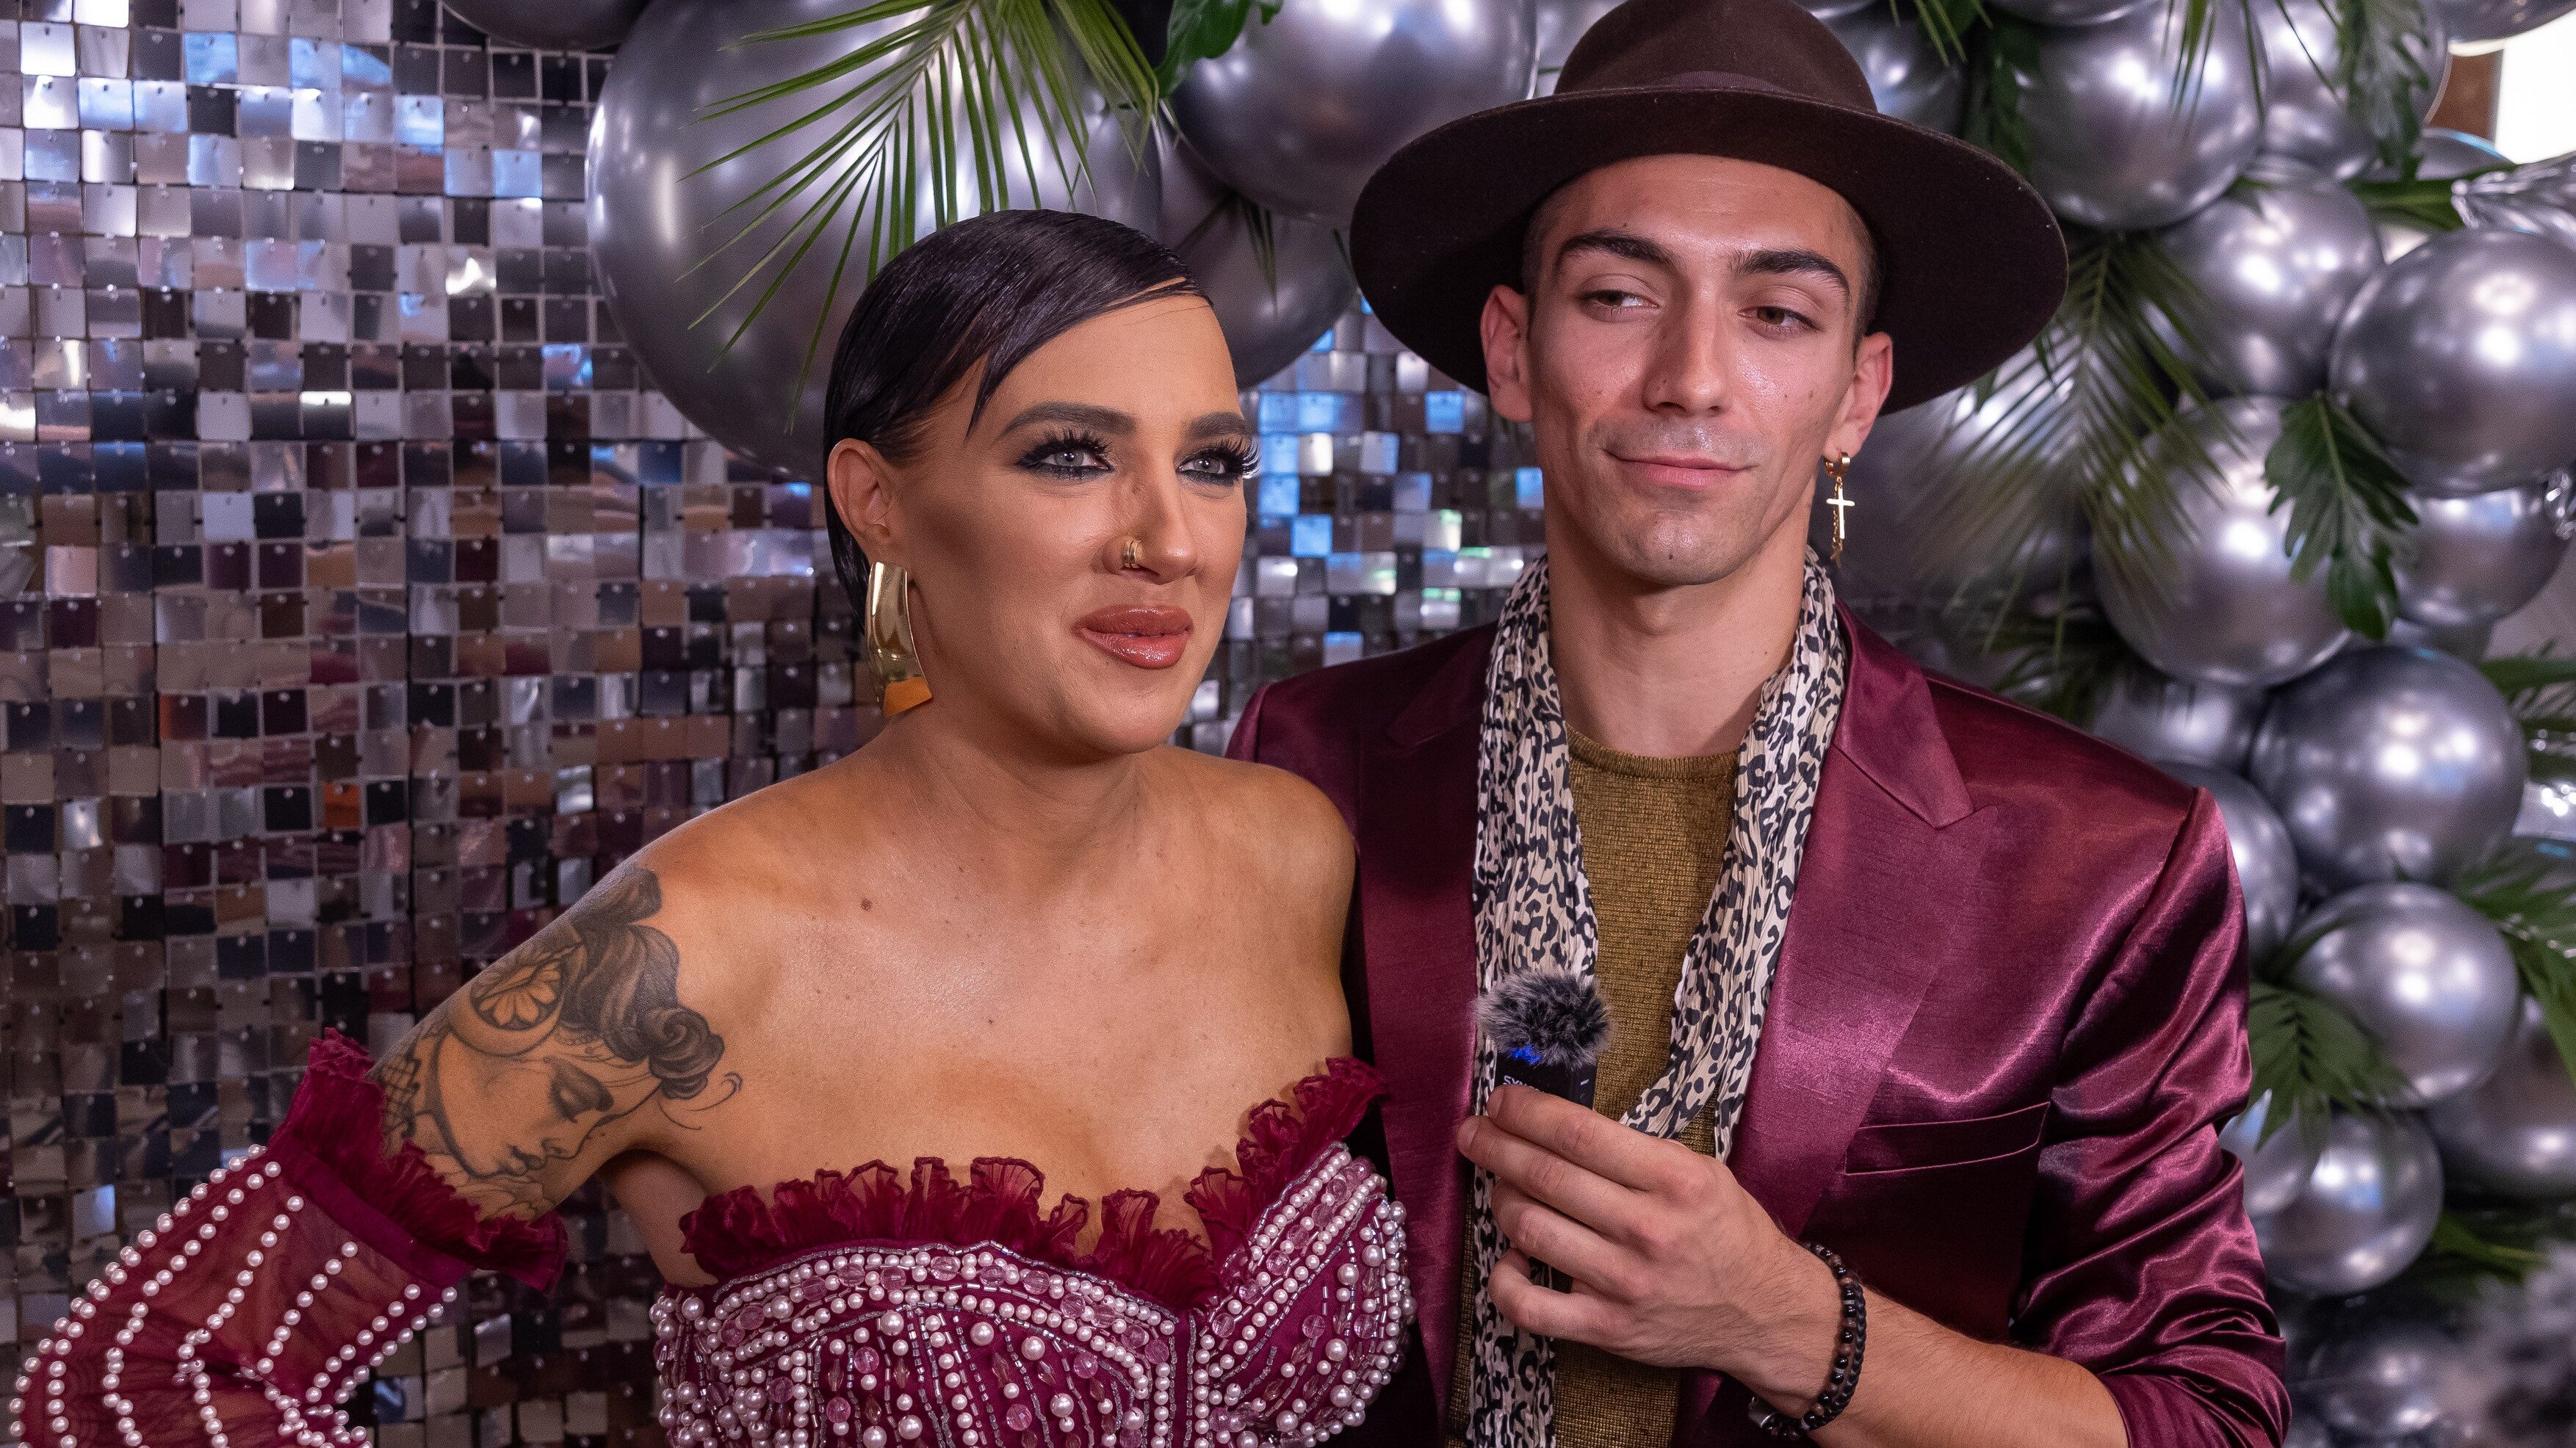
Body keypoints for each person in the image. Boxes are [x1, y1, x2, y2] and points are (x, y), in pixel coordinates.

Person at [16, 209, 1417, 1448]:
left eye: (1214, 462)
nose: (1169, 539)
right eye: (1070, 457)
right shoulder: (681, 959)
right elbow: (141, 1378)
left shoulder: (1295, 855)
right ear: (879, 505)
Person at [1229, 0, 2289, 1444]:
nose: (1691, 377)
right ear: (1514, 349)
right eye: (1619, 296)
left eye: (1777, 313)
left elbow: (2206, 1415)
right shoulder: (1306, 770)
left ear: (1856, 391)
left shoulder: (2100, 860)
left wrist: (1789, 1325)